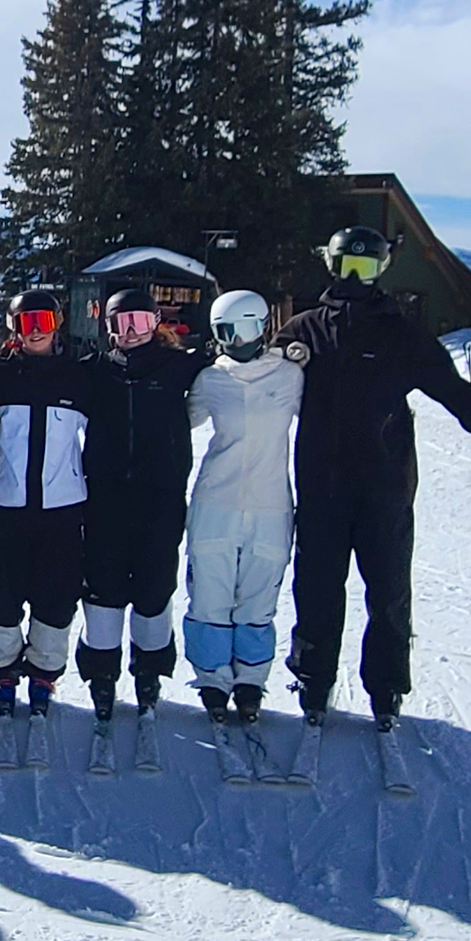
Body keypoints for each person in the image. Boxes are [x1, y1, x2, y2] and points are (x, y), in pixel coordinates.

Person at [276, 226, 471, 741]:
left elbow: (455, 392)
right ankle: (313, 678)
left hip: (384, 486)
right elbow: (255, 383)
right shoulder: (304, 330)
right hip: (323, 486)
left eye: (364, 268)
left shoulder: (401, 336)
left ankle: (386, 687)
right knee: (318, 587)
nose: (353, 277)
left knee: (389, 590)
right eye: (346, 265)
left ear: (381, 271)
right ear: (330, 265)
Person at [78, 288, 211, 733]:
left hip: (160, 495)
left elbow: (232, 363)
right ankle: (101, 674)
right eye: (120, 325)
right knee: (103, 588)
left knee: (154, 589)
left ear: (156, 324)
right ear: (108, 328)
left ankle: (149, 673)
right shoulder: (98, 371)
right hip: (105, 496)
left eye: (138, 323)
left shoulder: (179, 365)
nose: (130, 334)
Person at [182, 291, 302, 726]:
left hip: (270, 505)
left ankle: (250, 680)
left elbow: (329, 419)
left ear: (259, 326)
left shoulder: (290, 376)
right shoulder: (212, 378)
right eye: (222, 333)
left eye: (239, 330)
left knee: (257, 597)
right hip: (217, 501)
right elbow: (178, 420)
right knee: (211, 594)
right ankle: (212, 679)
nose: (232, 341)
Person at [0, 291, 87, 721]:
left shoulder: (78, 376)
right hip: (5, 505)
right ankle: (3, 670)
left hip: (61, 507)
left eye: (43, 319)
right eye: (25, 322)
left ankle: (44, 670)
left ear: (58, 322)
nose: (36, 329)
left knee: (56, 595)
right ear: (12, 328)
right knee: (4, 596)